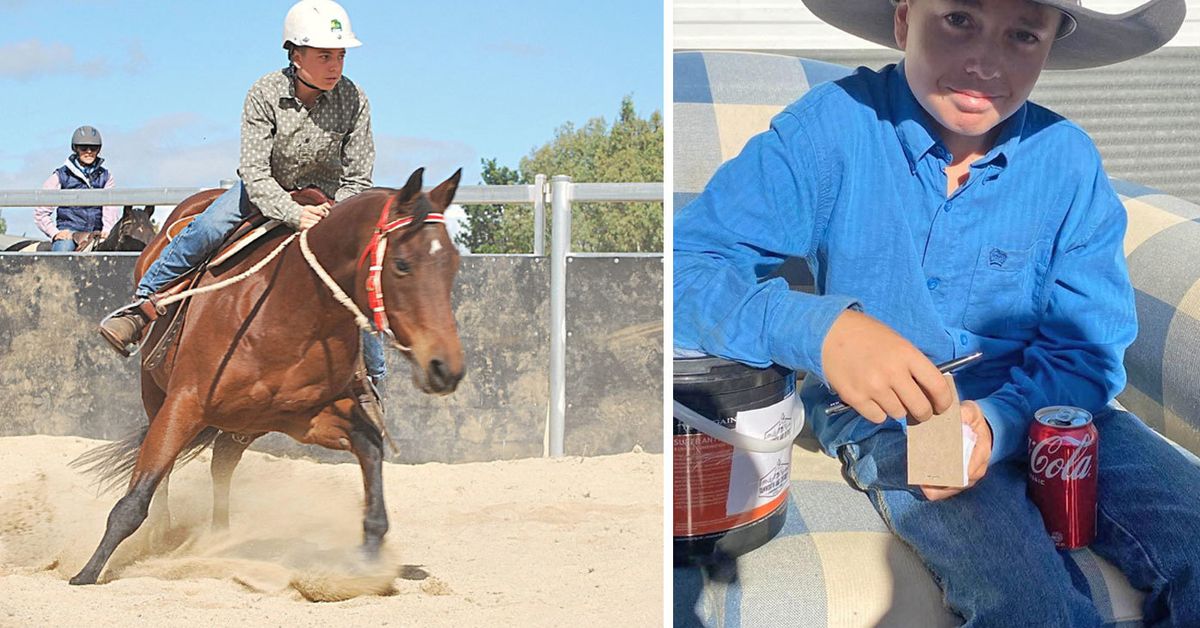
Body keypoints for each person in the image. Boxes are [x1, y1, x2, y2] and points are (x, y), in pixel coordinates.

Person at [674, 0, 1200, 624]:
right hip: (895, 420)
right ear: (904, 21)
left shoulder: (1068, 160)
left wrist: (1000, 421)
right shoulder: (831, 127)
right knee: (1029, 601)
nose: (984, 61)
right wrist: (820, 328)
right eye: (958, 20)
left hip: (1051, 408)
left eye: (1023, 35)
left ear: (1051, 46)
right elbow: (683, 268)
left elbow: (1089, 347)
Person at [98, 0, 388, 416]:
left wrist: (335, 214)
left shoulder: (355, 100)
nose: (335, 65)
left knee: (363, 268)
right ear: (295, 54)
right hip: (262, 191)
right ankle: (141, 309)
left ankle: (372, 381)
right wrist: (292, 212)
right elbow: (254, 171)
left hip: (326, 202)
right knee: (208, 228)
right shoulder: (264, 92)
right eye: (325, 54)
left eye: (340, 54)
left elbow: (359, 177)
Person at [35, 126, 118, 251]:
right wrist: (55, 233)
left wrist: (107, 231)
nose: (89, 151)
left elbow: (110, 208)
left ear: (98, 150)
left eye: (93, 148)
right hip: (69, 233)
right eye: (83, 147)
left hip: (97, 232)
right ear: (76, 149)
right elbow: (41, 210)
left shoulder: (106, 177)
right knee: (62, 256)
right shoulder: (61, 175)